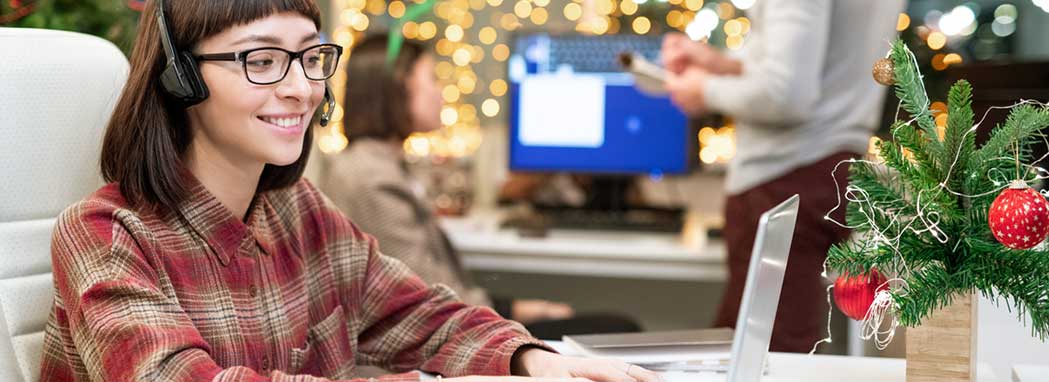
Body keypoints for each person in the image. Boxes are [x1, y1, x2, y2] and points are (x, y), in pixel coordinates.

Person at [37, 1, 662, 381]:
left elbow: (419, 313)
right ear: (179, 78)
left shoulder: (299, 211)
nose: (300, 88)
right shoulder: (105, 236)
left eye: (311, 57)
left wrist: (530, 359)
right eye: (261, 60)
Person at [321, 34, 641, 340]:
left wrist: (515, 308)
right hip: (440, 337)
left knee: (609, 326)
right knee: (618, 328)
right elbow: (427, 297)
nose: (441, 92)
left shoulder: (380, 165)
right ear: (397, 89)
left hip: (451, 322)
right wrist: (513, 310)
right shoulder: (370, 178)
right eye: (433, 79)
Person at [660, 0, 904, 352]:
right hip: (823, 167)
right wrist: (720, 65)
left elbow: (786, 94)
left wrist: (705, 89)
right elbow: (810, 67)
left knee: (765, 354)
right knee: (774, 344)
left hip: (783, 177)